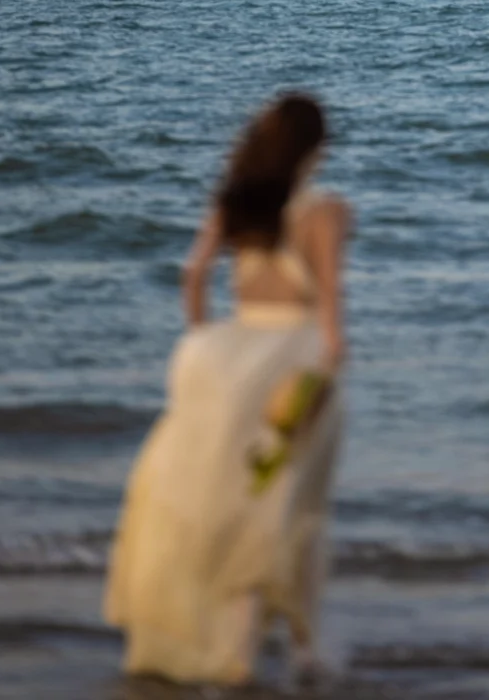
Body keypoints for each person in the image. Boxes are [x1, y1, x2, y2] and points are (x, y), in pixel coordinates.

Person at [104, 94, 351, 684]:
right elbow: (331, 321)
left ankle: (237, 649)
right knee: (297, 504)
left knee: (241, 502)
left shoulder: (235, 201)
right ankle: (301, 650)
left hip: (227, 360)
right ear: (316, 149)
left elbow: (194, 277)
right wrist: (326, 371)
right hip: (294, 361)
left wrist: (207, 343)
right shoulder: (325, 213)